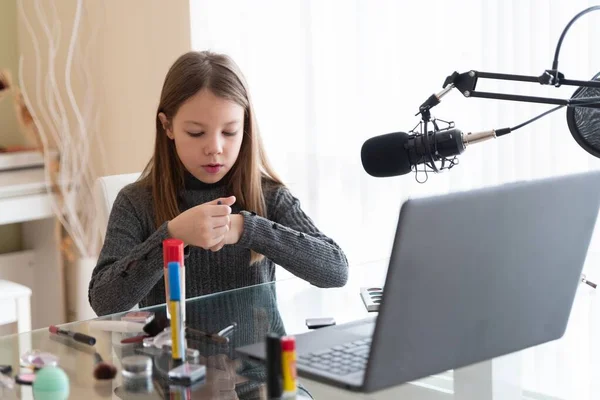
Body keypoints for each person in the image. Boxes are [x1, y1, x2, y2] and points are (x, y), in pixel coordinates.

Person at [89, 51, 349, 316]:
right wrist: (172, 235)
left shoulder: (269, 195)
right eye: (196, 133)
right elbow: (103, 301)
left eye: (229, 132)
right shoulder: (136, 202)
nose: (214, 148)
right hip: (175, 356)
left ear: (245, 126)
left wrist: (247, 228)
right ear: (167, 126)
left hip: (260, 357)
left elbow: (336, 271)